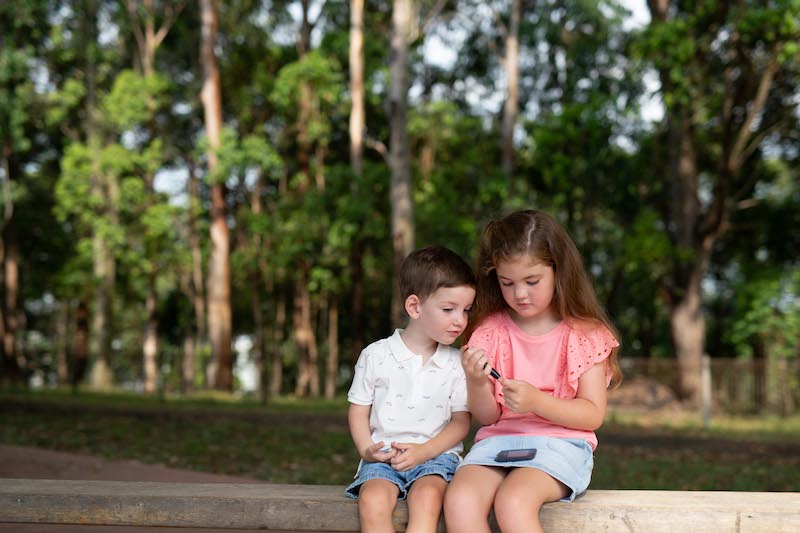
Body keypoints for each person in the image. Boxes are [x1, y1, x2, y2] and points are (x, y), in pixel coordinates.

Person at [443, 210, 622, 533]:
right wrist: (476, 380)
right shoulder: (490, 331)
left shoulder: (584, 334)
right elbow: (488, 417)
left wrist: (536, 401)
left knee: (513, 501)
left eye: (532, 281)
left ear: (559, 272)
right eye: (507, 283)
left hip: (561, 445)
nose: (520, 294)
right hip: (497, 443)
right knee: (460, 500)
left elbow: (592, 414)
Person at [345, 245, 476, 533]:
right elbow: (358, 411)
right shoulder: (376, 355)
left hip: (436, 457)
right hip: (384, 457)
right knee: (373, 501)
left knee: (427, 498)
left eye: (466, 310)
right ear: (415, 307)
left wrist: (424, 451)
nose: (460, 320)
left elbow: (461, 422)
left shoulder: (457, 363)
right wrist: (367, 449)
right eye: (448, 309)